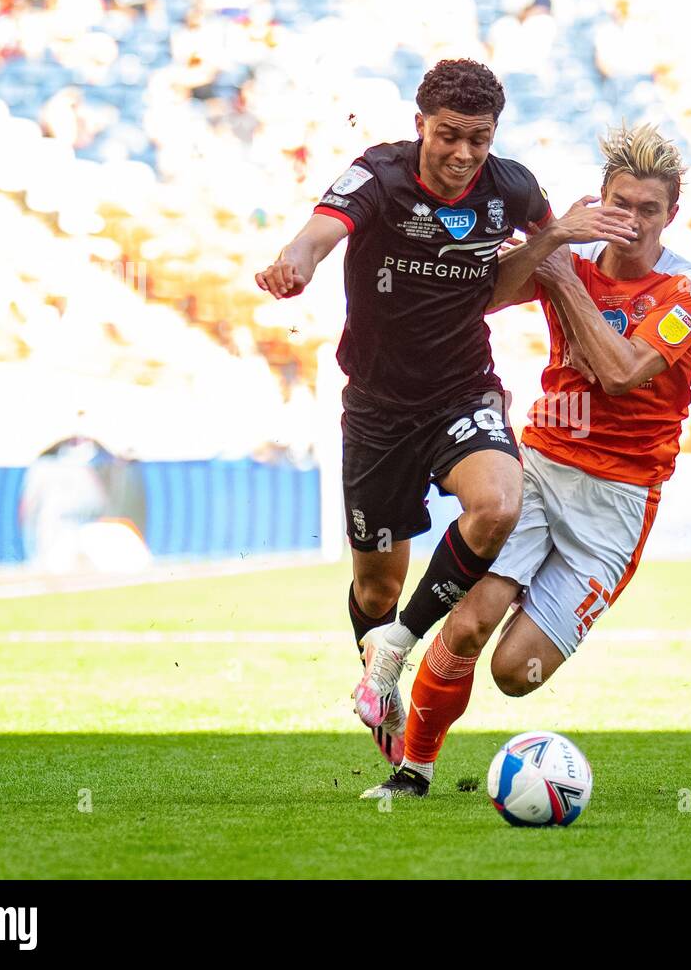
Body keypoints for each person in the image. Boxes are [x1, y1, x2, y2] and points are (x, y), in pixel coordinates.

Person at [254, 59, 635, 765]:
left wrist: (551, 239)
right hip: (375, 410)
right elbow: (317, 233)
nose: (464, 155)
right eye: (449, 136)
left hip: (463, 391)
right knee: (377, 585)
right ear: (420, 125)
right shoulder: (379, 175)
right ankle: (379, 682)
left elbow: (507, 288)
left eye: (480, 139)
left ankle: (396, 647)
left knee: (498, 504)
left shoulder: (513, 189)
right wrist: (296, 263)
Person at [361, 123, 691, 798]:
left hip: (616, 503)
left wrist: (563, 277)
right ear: (601, 199)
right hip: (543, 468)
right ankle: (412, 772)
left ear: (672, 214)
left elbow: (622, 373)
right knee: (466, 622)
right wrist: (546, 247)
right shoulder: (570, 252)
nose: (635, 222)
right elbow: (487, 297)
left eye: (650, 210)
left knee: (513, 671)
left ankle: (511, 616)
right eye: (622, 205)